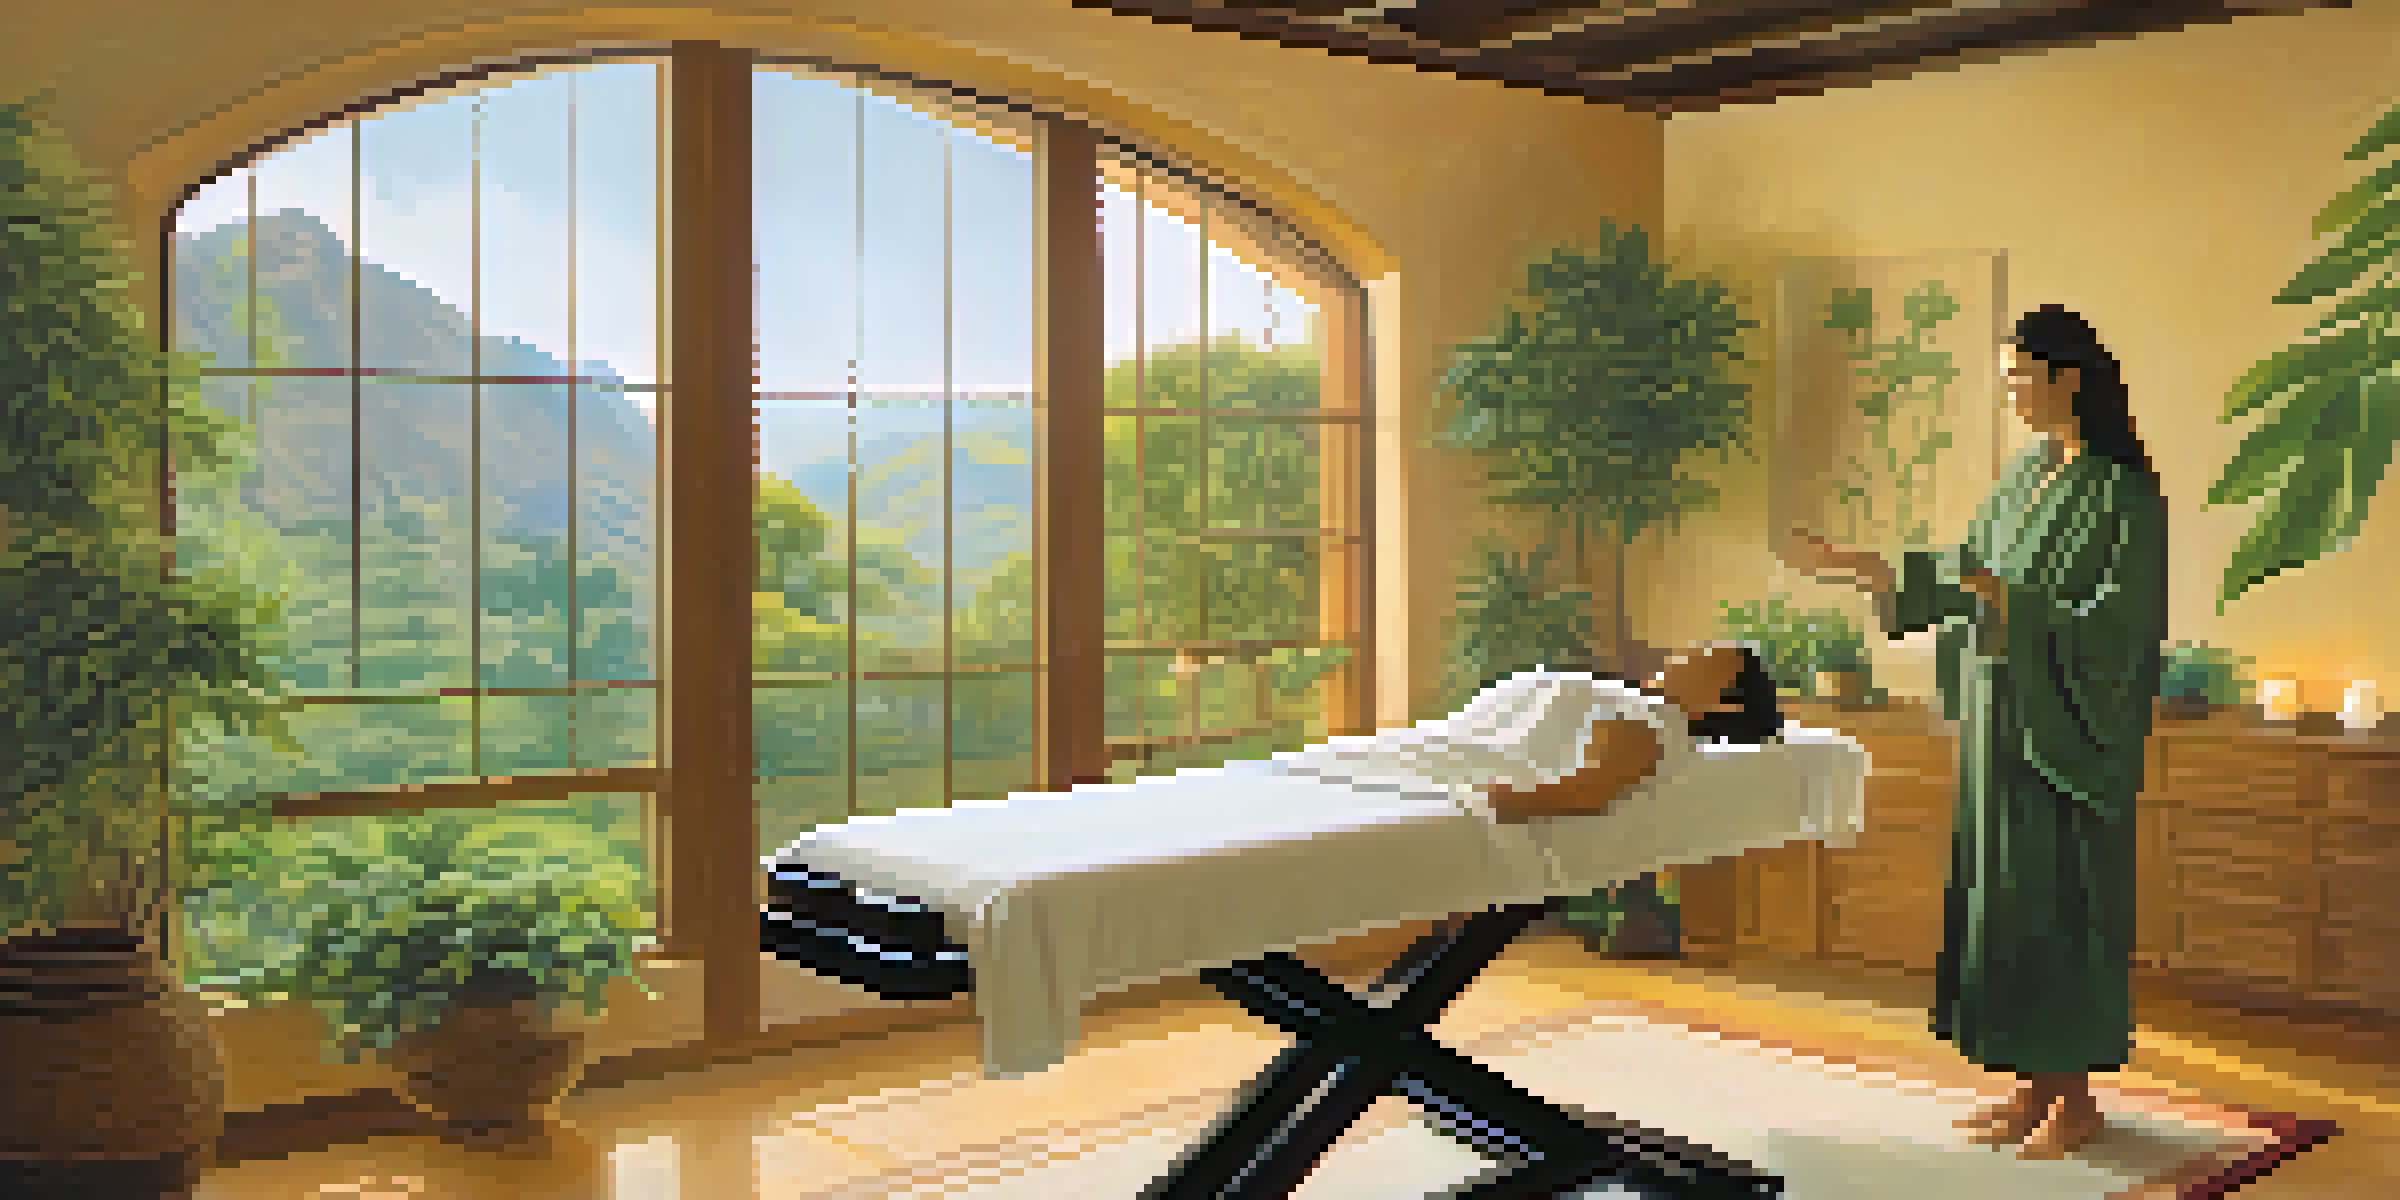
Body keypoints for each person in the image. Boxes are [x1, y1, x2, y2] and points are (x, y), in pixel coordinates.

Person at [1778, 304, 2168, 1160]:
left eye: (2021, 379)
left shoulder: (2122, 492)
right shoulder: (2026, 471)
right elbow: (1969, 571)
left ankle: (2078, 1101)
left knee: (2061, 905)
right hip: (1998, 722)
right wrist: (1873, 570)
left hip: (2064, 735)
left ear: (2069, 378)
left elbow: (2120, 628)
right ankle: (2032, 1086)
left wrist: (2009, 602)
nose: (2013, 396)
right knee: (2007, 906)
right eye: (2006, 382)